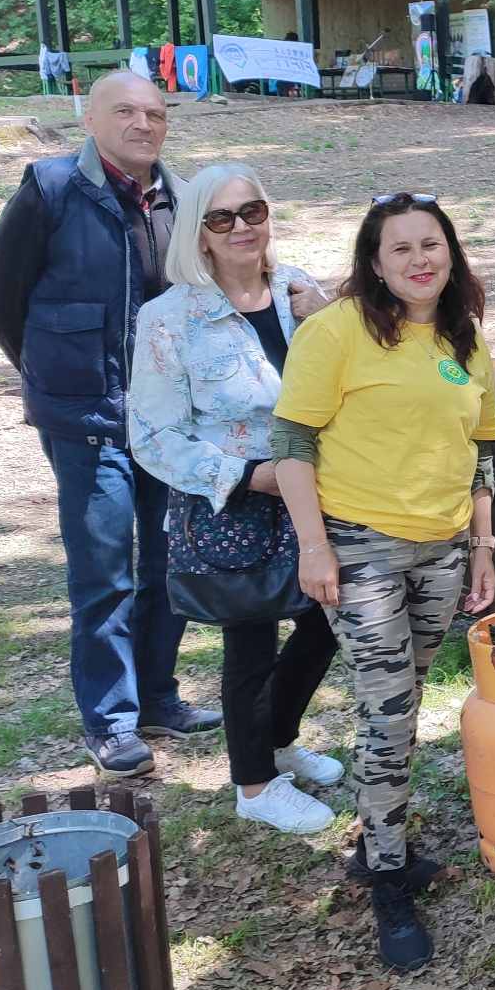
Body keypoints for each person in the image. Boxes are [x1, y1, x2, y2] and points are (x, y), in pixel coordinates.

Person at [272, 192, 495, 972]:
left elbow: (480, 449)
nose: (419, 260)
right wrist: (314, 548)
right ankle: (388, 879)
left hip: (442, 549)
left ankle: (378, 843)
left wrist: (483, 545)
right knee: (391, 713)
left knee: (403, 697)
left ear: (451, 253)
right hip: (360, 547)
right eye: (400, 248)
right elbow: (292, 443)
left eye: (430, 244)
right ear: (374, 262)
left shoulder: (463, 336)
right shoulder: (335, 330)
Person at [0, 70, 221, 777]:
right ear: (90, 119)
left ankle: (158, 699)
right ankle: (110, 721)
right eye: (126, 112)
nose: (143, 124)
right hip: (85, 420)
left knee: (169, 563)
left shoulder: (182, 199)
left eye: (156, 113)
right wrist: (55, 376)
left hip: (165, 421)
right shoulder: (50, 189)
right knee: (104, 574)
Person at [127, 163, 343, 834]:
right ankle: (254, 784)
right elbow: (152, 437)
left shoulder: (298, 290)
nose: (241, 227)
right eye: (221, 218)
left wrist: (330, 313)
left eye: (253, 211)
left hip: (314, 488)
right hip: (234, 499)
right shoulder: (169, 320)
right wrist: (249, 474)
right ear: (199, 234)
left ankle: (276, 738)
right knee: (251, 641)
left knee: (329, 618)